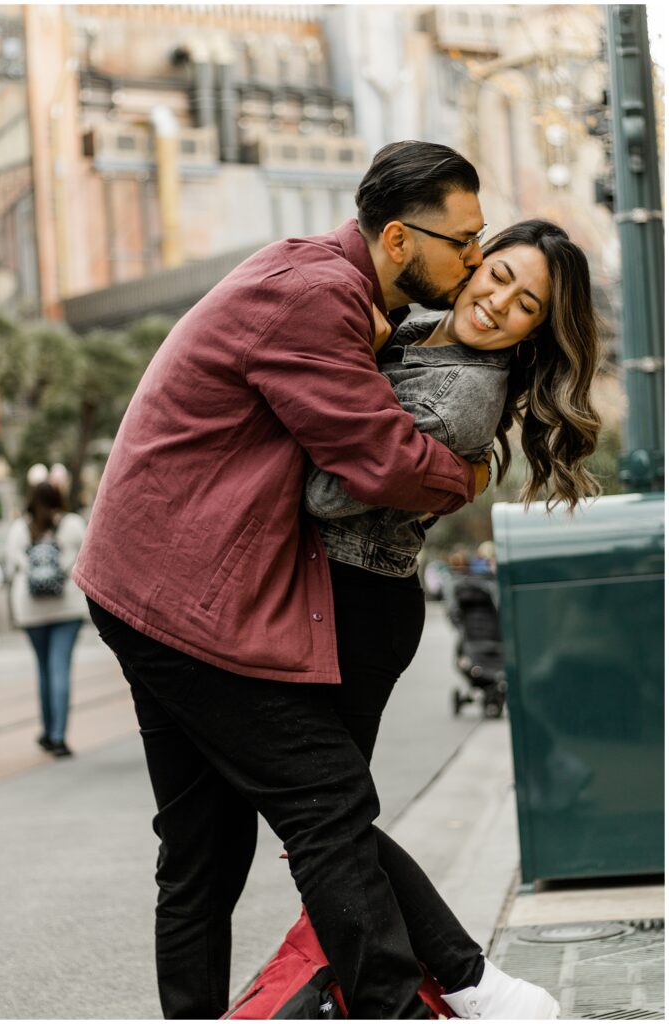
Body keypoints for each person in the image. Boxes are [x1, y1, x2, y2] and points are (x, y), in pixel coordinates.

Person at [74, 139, 493, 1021]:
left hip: (144, 581)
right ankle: (396, 1009)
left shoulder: (323, 284)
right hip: (180, 596)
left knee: (204, 847)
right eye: (463, 242)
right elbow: (377, 461)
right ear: (397, 241)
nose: (476, 261)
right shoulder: (315, 297)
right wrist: (472, 475)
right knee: (326, 802)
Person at [303, 219, 600, 1019]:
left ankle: (469, 982)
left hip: (357, 605)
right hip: (333, 595)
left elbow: (331, 494)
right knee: (327, 819)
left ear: (537, 329)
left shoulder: (466, 391)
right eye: (498, 274)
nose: (500, 301)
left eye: (527, 303)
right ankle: (406, 983)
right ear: (474, 261)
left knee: (325, 815)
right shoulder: (412, 326)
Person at [6, 481, 87, 757]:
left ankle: (47, 731)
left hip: (31, 610)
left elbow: (13, 565)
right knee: (59, 668)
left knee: (43, 669)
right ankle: (58, 736)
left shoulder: (20, 529)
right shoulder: (73, 524)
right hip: (67, 607)